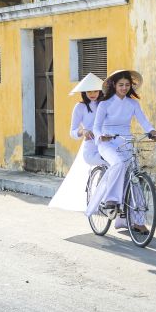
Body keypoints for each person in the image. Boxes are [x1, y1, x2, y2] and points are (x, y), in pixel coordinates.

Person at [85, 70, 156, 233]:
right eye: (121, 85)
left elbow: (144, 121)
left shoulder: (133, 104)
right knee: (118, 164)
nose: (124, 88)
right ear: (114, 85)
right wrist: (101, 136)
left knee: (135, 181)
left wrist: (152, 131)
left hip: (126, 142)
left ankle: (138, 221)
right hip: (107, 143)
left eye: (127, 85)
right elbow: (96, 127)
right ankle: (111, 201)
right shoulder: (104, 104)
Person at [49, 73, 105, 212]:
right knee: (109, 164)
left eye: (95, 91)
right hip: (91, 147)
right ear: (84, 92)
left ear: (100, 91)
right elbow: (72, 131)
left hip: (107, 144)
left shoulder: (105, 105)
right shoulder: (79, 107)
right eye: (89, 91)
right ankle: (101, 195)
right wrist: (83, 131)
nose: (92, 94)